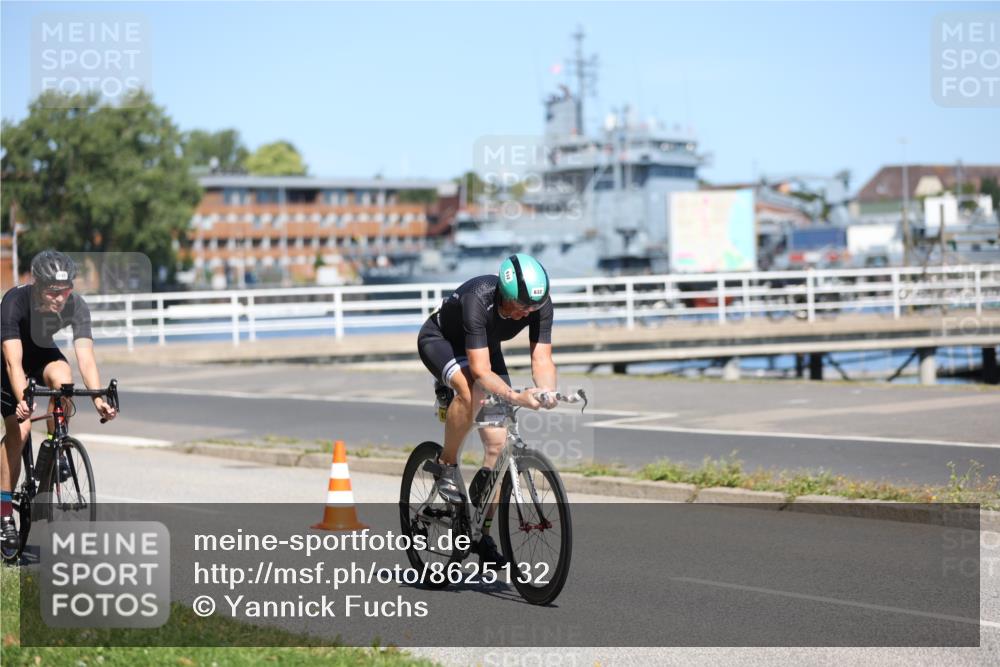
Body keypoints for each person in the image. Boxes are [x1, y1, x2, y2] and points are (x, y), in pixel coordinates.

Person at [416, 253, 558, 567]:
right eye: (519, 307)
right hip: (442, 341)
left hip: (483, 345)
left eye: (531, 308)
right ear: (503, 296)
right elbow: (480, 373)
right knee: (470, 390)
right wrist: (517, 397)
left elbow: (542, 360)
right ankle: (446, 467)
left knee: (497, 446)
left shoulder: (538, 303)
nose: (525, 315)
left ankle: (481, 533)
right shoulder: (477, 299)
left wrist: (547, 392)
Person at [1, 250, 117, 558]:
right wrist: (23, 399)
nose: (60, 298)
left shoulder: (76, 306)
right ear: (37, 284)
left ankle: (58, 445)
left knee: (64, 379)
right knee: (21, 432)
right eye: (53, 291)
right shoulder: (14, 301)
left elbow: (86, 358)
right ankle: (3, 515)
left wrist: (98, 399)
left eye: (65, 291)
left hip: (41, 354)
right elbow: (14, 364)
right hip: (8, 363)